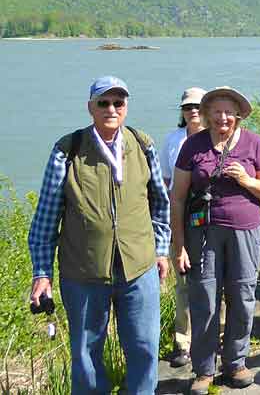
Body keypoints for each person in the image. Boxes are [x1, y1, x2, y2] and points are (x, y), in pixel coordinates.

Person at [28, 76, 171, 395]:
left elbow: (160, 203)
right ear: (90, 107)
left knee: (145, 350)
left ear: (126, 107)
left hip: (139, 269)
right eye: (103, 102)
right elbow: (45, 218)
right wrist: (42, 273)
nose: (111, 108)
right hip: (83, 273)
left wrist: (161, 250)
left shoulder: (142, 143)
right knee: (86, 357)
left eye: (118, 102)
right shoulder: (68, 150)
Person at [171, 86, 260, 394]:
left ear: (239, 115)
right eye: (216, 111)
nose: (223, 117)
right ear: (206, 115)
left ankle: (236, 362)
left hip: (245, 230)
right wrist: (178, 247)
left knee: (242, 296)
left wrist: (246, 180)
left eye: (229, 112)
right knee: (204, 298)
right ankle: (204, 370)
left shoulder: (253, 143)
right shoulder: (193, 145)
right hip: (202, 233)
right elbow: (177, 198)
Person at [161, 86, 205, 368]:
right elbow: (165, 182)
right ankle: (183, 342)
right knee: (183, 282)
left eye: (198, 106)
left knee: (215, 279)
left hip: (209, 219)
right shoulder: (172, 140)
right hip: (179, 218)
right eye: (188, 107)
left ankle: (216, 335)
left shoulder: (215, 138)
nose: (193, 111)